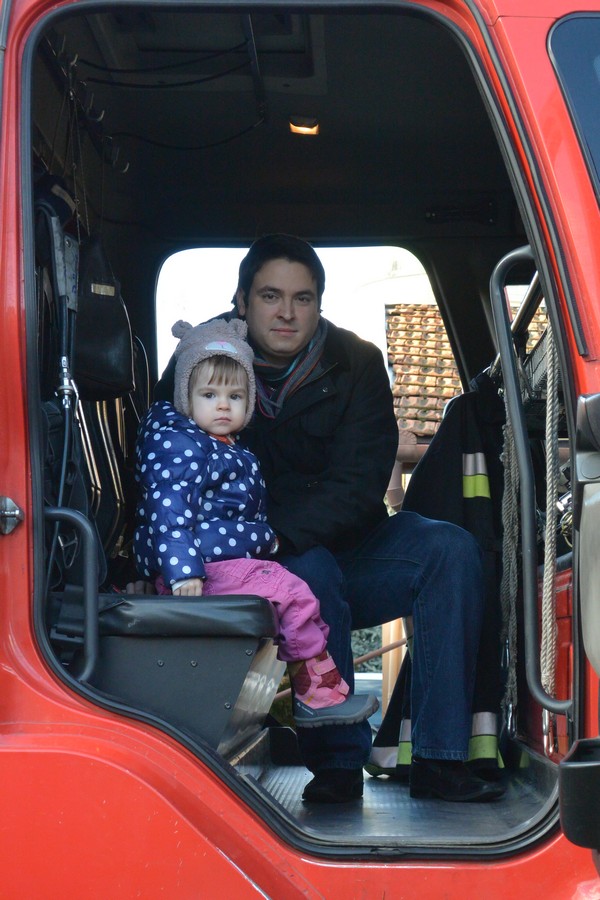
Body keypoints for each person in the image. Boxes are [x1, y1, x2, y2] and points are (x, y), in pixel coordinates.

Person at [154, 234, 505, 804]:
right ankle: (337, 765)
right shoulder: (202, 357)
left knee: (451, 550)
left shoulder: (357, 362)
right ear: (241, 300)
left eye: (303, 298)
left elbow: (359, 483)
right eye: (270, 296)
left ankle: (440, 761)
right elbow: (164, 462)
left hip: (345, 545)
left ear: (319, 303)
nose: (287, 312)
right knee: (311, 571)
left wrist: (280, 536)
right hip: (244, 564)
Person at [134, 316, 379, 730]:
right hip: (201, 568)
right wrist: (183, 571)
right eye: (209, 395)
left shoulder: (227, 447)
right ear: (185, 397)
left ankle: (320, 689)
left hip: (222, 561)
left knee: (300, 597)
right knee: (292, 594)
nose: (223, 405)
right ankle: (316, 696)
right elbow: (167, 508)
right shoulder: (180, 445)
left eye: (235, 395)